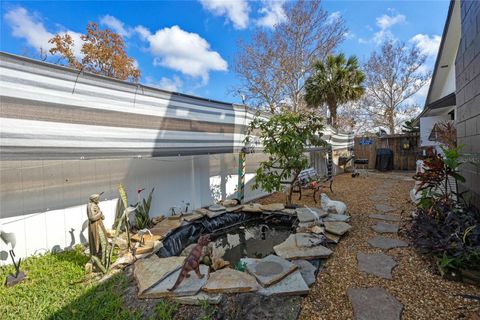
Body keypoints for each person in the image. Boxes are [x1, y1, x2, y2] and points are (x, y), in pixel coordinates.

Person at [87, 194, 108, 266]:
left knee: (103, 239)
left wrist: (101, 215)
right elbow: (91, 218)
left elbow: (98, 214)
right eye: (97, 199)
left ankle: (102, 255)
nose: (98, 200)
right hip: (94, 226)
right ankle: (96, 256)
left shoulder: (95, 205)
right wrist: (99, 214)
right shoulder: (90, 206)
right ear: (94, 199)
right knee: (96, 240)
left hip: (99, 224)